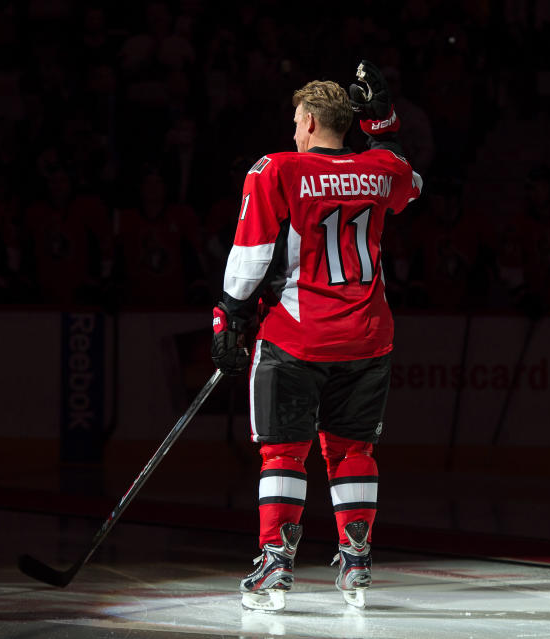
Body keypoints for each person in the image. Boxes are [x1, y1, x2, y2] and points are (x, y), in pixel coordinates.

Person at [210, 61, 422, 611]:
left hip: (297, 336)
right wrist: (386, 123)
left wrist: (229, 316)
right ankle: (356, 564)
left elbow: (251, 252)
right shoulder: (380, 169)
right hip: (368, 334)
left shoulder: (275, 169)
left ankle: (276, 564)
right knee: (353, 449)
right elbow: (409, 178)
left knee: (284, 450)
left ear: (306, 120)